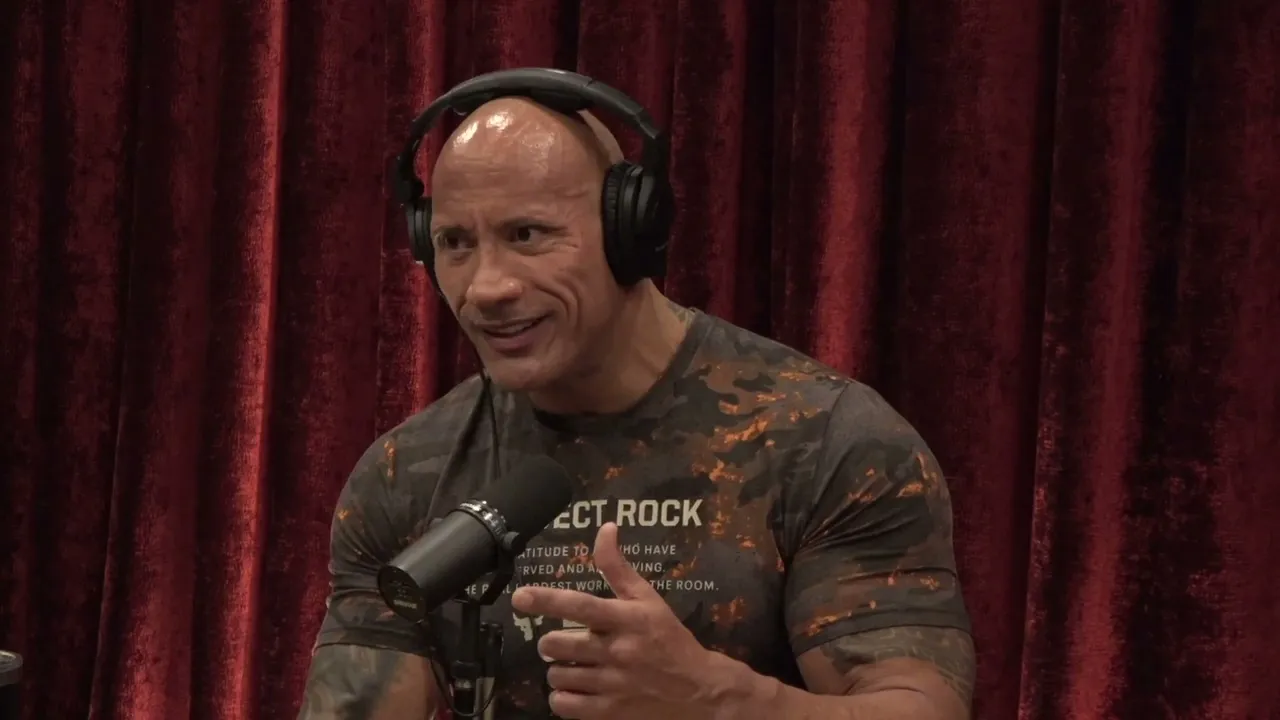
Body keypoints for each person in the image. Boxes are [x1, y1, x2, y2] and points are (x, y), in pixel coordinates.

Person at [296, 83, 975, 720]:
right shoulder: (407, 472)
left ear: (630, 231)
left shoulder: (825, 439)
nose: (486, 288)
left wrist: (719, 700)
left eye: (527, 234)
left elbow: (915, 706)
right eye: (455, 243)